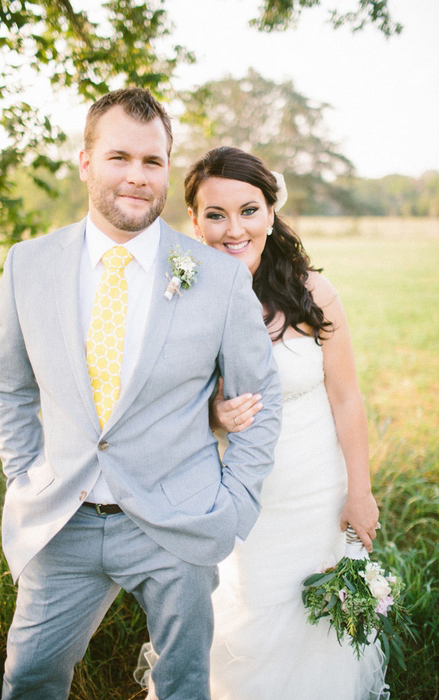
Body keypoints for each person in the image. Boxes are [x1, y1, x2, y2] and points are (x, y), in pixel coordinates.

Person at [0, 92, 282, 700]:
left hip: (178, 524)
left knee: (182, 686)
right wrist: (25, 476)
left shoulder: (218, 276)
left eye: (154, 161)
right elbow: (10, 387)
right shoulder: (28, 265)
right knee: (29, 678)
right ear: (86, 161)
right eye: (119, 156)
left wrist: (235, 506)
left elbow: (261, 397)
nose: (137, 176)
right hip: (60, 521)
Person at [137, 146, 388, 699]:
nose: (234, 229)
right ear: (195, 222)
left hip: (317, 489)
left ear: (271, 215)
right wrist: (212, 414)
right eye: (215, 214)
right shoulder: (183, 295)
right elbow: (156, 407)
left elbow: (346, 398)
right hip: (236, 496)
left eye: (249, 210)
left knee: (315, 616)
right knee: (245, 609)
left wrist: (360, 492)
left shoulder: (312, 293)